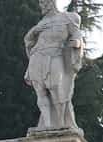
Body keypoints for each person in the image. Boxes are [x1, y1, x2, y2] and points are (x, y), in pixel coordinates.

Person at [24, 0, 84, 130]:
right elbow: (28, 40)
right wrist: (35, 31)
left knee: (57, 88)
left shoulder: (69, 17)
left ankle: (62, 122)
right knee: (41, 92)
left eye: (43, 2)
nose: (41, 6)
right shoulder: (41, 23)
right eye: (40, 3)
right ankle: (47, 124)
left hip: (55, 55)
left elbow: (77, 34)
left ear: (52, 2)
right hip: (37, 57)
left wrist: (77, 42)